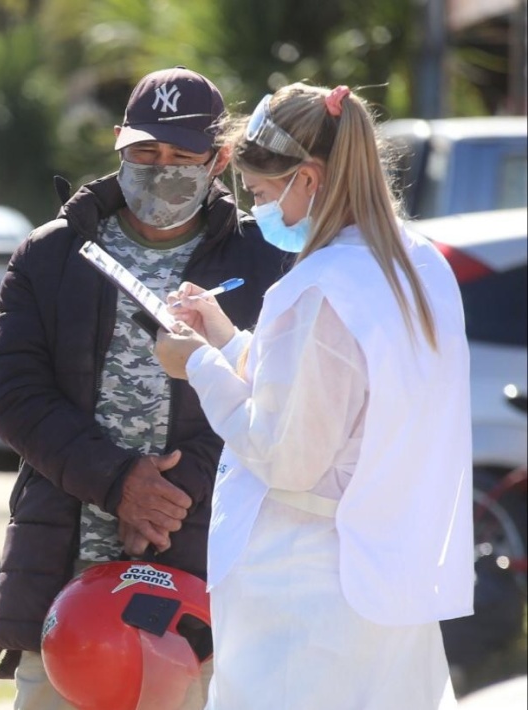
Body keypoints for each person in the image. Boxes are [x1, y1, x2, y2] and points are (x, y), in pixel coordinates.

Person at [154, 84, 474, 709]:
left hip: (308, 590)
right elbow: (338, 389)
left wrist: (196, 364)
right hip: (386, 571)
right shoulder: (418, 265)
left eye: (265, 193)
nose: (256, 208)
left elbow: (286, 454)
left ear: (309, 178)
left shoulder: (321, 286)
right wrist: (225, 336)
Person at [0, 66, 286, 709]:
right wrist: (119, 482)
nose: (162, 168)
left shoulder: (263, 263)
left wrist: (167, 495)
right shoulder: (50, 255)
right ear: (119, 143)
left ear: (221, 158)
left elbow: (277, 396)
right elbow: (15, 395)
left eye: (182, 155)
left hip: (202, 582)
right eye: (145, 151)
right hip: (64, 583)